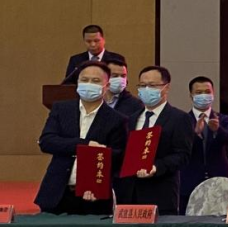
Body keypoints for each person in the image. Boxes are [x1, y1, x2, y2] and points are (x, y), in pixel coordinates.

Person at [35, 61, 128, 214]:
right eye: (84, 80)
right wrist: (84, 145)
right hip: (57, 193)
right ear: (77, 83)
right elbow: (46, 142)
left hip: (94, 196)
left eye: (95, 81)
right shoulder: (61, 109)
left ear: (107, 86)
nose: (89, 84)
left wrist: (98, 184)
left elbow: (119, 157)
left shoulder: (117, 120)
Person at [112, 66, 194, 215]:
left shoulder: (179, 118)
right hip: (129, 195)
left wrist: (156, 167)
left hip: (160, 194)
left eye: (152, 85)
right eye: (143, 85)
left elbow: (182, 155)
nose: (147, 89)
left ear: (166, 88)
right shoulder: (131, 119)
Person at [178, 76, 228, 214]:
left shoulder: (223, 119)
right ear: (191, 95)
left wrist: (218, 130)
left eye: (207, 92)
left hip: (219, 177)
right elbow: (180, 147)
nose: (203, 96)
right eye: (199, 92)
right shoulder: (182, 120)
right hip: (189, 179)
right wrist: (195, 134)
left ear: (213, 94)